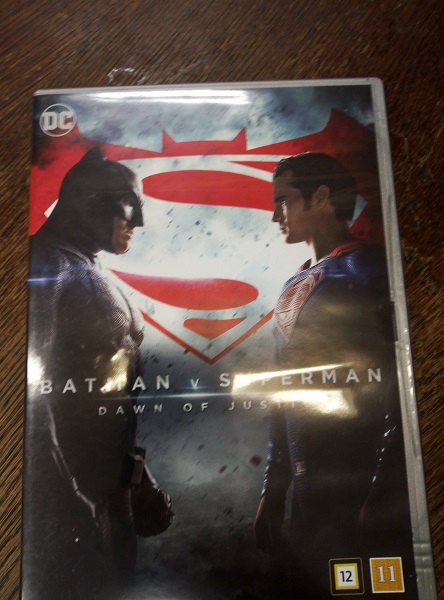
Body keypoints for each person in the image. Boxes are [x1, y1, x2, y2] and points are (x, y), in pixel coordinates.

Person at [254, 153, 417, 597]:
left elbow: (401, 387)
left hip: (361, 492)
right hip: (311, 495)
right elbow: (284, 393)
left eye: (283, 200)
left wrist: (386, 490)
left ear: (321, 196)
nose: (275, 215)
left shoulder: (369, 270)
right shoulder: (297, 282)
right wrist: (274, 488)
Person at [25, 147, 173, 600]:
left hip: (106, 496)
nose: (139, 222)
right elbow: (28, 401)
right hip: (72, 502)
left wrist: (138, 478)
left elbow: (105, 407)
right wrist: (67, 498)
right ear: (87, 202)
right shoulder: (46, 264)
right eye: (129, 205)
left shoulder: (82, 267)